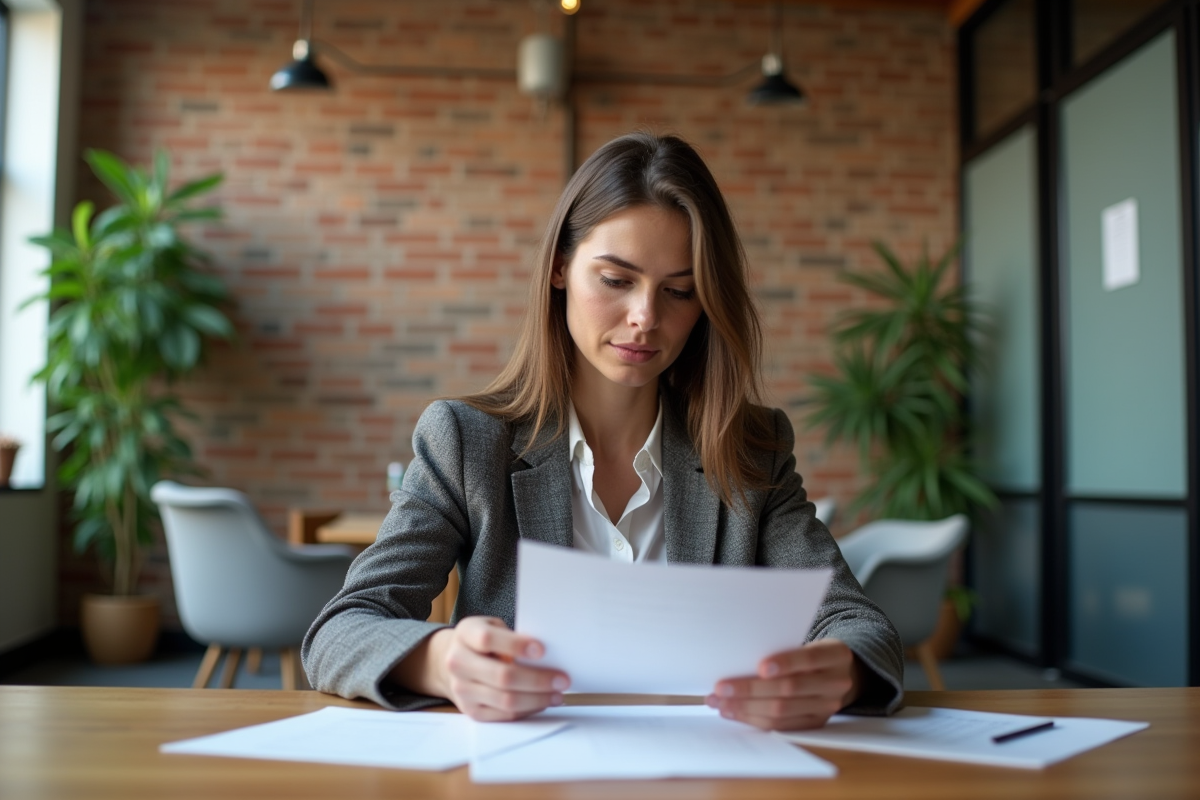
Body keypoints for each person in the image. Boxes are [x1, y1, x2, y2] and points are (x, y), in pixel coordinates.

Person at [303, 132, 903, 730]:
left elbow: (860, 627)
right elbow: (341, 630)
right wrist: (441, 662)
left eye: (680, 291)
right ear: (560, 267)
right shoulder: (467, 441)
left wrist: (840, 672)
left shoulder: (748, 449)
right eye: (616, 280)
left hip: (706, 767)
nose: (646, 317)